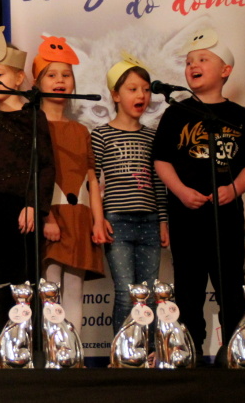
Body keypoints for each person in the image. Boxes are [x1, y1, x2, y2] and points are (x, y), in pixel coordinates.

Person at [152, 29, 245, 365]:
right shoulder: (177, 113)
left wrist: (234, 188)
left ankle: (236, 352)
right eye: (189, 62)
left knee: (231, 285)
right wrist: (181, 191)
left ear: (225, 70)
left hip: (226, 217)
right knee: (188, 287)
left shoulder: (240, 116)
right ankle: (191, 353)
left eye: (202, 59)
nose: (193, 65)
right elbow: (162, 160)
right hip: (186, 216)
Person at [0, 40, 55, 365]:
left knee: (24, 280)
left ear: (19, 78)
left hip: (23, 209)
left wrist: (34, 205)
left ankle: (24, 352)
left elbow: (45, 166)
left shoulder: (34, 117)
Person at [32, 38, 105, 337]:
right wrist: (47, 217)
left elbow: (91, 178)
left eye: (66, 74)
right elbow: (33, 175)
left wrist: (98, 220)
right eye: (51, 74)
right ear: (37, 83)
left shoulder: (80, 129)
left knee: (75, 289)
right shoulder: (33, 125)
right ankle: (52, 351)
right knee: (50, 288)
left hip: (79, 216)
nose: (60, 80)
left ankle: (73, 352)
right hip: (51, 214)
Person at [91, 58, 168, 337]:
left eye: (146, 90)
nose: (141, 96)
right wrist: (98, 219)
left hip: (149, 222)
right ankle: (124, 352)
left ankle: (149, 351)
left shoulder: (152, 136)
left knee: (148, 292)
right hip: (118, 222)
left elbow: (158, 182)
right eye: (133, 89)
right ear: (115, 95)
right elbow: (92, 181)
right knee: (126, 292)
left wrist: (163, 221)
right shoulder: (101, 135)